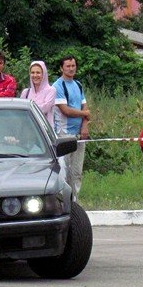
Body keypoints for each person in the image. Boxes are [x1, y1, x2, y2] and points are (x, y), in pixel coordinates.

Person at [53, 55, 90, 201]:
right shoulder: (57, 86)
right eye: (68, 66)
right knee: (65, 170)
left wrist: (85, 126)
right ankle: (65, 201)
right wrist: (85, 113)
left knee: (77, 171)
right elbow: (65, 110)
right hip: (64, 133)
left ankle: (76, 201)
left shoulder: (78, 84)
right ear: (62, 68)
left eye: (73, 65)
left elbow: (85, 106)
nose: (71, 68)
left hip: (79, 134)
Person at [20, 61, 55, 126]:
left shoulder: (51, 91)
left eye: (38, 72)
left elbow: (45, 109)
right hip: (28, 129)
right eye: (32, 73)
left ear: (43, 74)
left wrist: (27, 109)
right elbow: (21, 111)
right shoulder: (25, 92)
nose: (35, 75)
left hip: (44, 132)